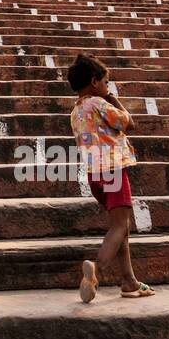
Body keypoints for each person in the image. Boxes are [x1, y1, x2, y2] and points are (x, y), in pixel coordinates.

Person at [68, 53, 155, 302]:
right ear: (95, 82)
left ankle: (129, 281)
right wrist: (113, 98)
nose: (108, 87)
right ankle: (95, 271)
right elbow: (129, 122)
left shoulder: (75, 112)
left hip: (95, 174)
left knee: (122, 229)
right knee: (120, 226)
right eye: (107, 82)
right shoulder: (99, 103)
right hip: (113, 170)